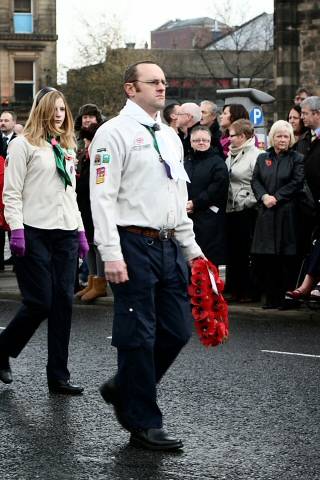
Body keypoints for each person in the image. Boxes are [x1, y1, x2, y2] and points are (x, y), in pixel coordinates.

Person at [90, 60, 203, 451]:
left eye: (164, 82)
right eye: (153, 82)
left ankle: (124, 388)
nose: (162, 87)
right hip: (132, 244)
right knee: (138, 335)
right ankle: (143, 421)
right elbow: (101, 198)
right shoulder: (112, 133)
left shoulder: (170, 136)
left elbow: (176, 197)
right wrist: (110, 253)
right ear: (130, 88)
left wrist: (193, 251)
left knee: (176, 330)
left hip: (168, 243)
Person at [0, 87, 89, 394]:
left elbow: (70, 193)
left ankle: (58, 376)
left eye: (63, 109)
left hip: (64, 230)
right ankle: (2, 350)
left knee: (64, 302)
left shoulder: (65, 146)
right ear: (41, 110)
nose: (59, 114)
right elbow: (11, 191)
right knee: (40, 302)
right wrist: (17, 229)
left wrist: (80, 231)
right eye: (53, 109)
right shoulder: (23, 145)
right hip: (33, 229)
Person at [251, 120, 304, 309]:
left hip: (287, 213)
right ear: (272, 137)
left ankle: (285, 298)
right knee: (267, 258)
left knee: (285, 258)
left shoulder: (296, 158)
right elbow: (255, 180)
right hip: (266, 212)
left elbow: (297, 182)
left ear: (291, 138)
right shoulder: (262, 157)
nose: (282, 139)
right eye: (279, 136)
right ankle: (270, 297)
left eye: (286, 136)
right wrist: (264, 196)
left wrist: (277, 197)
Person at [225, 119, 262, 302]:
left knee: (245, 252)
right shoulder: (231, 154)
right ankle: (236, 289)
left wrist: (248, 201)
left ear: (242, 136)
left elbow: (260, 182)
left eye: (232, 135)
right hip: (231, 208)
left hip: (246, 210)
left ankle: (247, 291)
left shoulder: (256, 155)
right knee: (234, 252)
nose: (228, 139)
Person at [184, 125, 229, 267]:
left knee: (208, 259)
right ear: (191, 142)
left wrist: (195, 203)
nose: (201, 143)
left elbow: (216, 189)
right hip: (188, 216)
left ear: (210, 141)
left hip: (209, 219)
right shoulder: (187, 161)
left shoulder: (218, 163)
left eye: (205, 140)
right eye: (197, 140)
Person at [75, 121, 108, 301]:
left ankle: (100, 282)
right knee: (89, 243)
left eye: (88, 141)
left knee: (97, 243)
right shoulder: (85, 156)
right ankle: (92, 280)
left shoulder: (100, 155)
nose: (86, 145)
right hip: (84, 205)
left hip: (94, 205)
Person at [0, 110, 17, 269]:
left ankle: (16, 257)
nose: (2, 123)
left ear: (13, 123)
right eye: (1, 120)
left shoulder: (19, 140)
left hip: (13, 185)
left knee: (13, 224)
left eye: (6, 120)